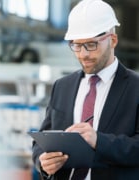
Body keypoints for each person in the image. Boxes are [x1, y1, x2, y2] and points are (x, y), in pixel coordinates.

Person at [31, 0, 139, 179]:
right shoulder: (62, 86)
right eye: (77, 45)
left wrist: (99, 141)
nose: (83, 54)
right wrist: (43, 161)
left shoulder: (135, 88)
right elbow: (42, 140)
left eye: (91, 45)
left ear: (112, 40)